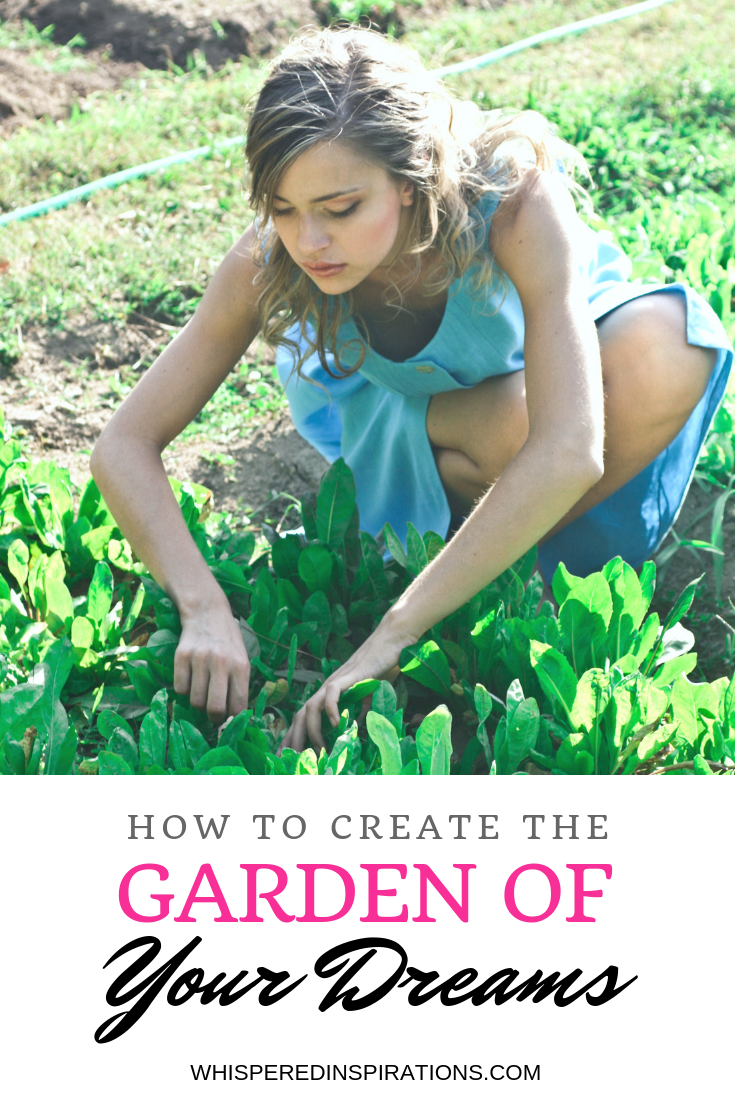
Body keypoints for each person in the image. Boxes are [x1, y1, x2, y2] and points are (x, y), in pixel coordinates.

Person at [91, 26, 733, 754]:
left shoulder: (515, 204)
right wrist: (202, 607)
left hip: (560, 387)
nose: (309, 243)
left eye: (339, 209)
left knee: (670, 340)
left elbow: (571, 449)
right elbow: (123, 444)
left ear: (410, 179)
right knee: (517, 423)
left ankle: (504, 581)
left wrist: (393, 635)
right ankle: (464, 566)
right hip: (421, 420)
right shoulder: (271, 260)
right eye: (282, 207)